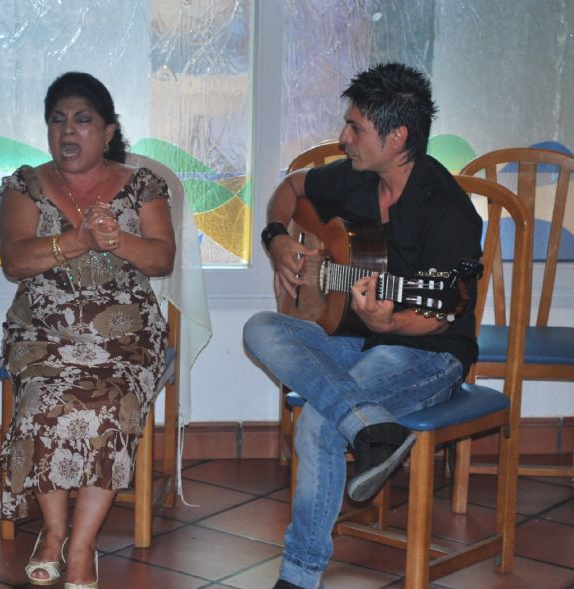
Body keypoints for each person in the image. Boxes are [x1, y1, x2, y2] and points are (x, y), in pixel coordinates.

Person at [243, 62, 483, 589]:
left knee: (317, 422)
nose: (342, 138)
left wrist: (392, 319)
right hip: (357, 338)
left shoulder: (449, 212)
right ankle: (370, 427)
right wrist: (277, 237)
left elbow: (442, 316)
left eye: (355, 128)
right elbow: (291, 187)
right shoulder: (356, 176)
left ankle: (298, 575)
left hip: (428, 352)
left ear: (397, 138)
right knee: (260, 328)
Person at [0, 72, 175, 589]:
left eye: (82, 120)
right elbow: (14, 260)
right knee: (42, 402)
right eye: (58, 120)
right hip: (42, 336)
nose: (68, 131)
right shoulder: (25, 185)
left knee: (110, 404)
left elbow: (161, 259)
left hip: (127, 339)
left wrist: (115, 240)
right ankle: (53, 532)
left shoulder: (143, 185)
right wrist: (77, 240)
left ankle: (82, 544)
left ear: (108, 131)